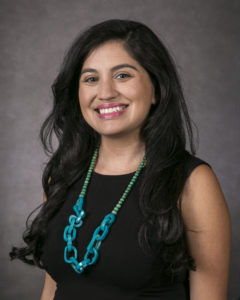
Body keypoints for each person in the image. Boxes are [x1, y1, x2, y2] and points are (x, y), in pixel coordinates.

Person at [10, 19, 231, 300]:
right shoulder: (61, 177)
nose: (105, 93)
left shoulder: (192, 181)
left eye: (123, 75)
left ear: (157, 88)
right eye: (91, 79)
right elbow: (53, 289)